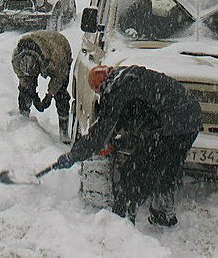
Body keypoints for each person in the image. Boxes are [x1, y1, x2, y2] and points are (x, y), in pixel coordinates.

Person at [54, 65, 202, 227]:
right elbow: (126, 118)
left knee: (135, 171)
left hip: (172, 123)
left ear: (100, 85)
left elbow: (98, 136)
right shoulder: (127, 78)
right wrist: (115, 142)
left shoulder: (116, 91)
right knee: (166, 167)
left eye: (97, 90)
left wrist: (72, 156)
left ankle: (121, 220)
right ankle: (163, 214)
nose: (99, 94)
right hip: (191, 118)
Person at [11, 29, 72, 144]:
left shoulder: (56, 58)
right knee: (25, 91)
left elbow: (59, 77)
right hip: (38, 46)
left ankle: (64, 131)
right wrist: (33, 95)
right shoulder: (16, 59)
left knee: (61, 94)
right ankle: (23, 117)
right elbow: (24, 80)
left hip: (59, 45)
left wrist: (49, 95)